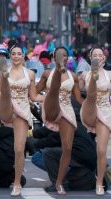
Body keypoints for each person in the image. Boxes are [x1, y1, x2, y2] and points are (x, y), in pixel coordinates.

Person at [35, 46, 83, 195]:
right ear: (53, 58)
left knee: (67, 148)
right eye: (58, 55)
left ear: (67, 59)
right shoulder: (46, 74)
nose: (61, 57)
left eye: (64, 56)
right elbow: (35, 92)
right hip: (51, 107)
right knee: (53, 93)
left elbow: (79, 99)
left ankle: (59, 182)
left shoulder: (73, 76)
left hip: (66, 110)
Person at [0, 44, 44, 196]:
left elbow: (34, 96)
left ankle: (17, 182)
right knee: (5, 145)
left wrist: (51, 97)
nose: (16, 56)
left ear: (23, 56)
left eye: (19, 53)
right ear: (10, 56)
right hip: (6, 109)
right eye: (14, 53)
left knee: (19, 148)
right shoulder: (4, 72)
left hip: (22, 111)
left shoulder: (30, 74)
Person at [29, 113, 101, 192]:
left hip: (81, 158)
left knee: (47, 153)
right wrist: (31, 133)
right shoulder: (72, 121)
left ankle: (61, 183)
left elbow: (52, 140)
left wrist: (32, 144)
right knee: (41, 155)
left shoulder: (64, 124)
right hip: (88, 159)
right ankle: (69, 177)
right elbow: (46, 131)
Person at [79, 46, 111, 195]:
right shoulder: (85, 75)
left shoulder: (110, 75)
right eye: (95, 55)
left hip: (105, 112)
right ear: (90, 59)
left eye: (100, 55)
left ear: (104, 58)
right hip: (90, 110)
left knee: (101, 150)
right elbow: (80, 93)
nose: (98, 57)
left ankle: (99, 182)